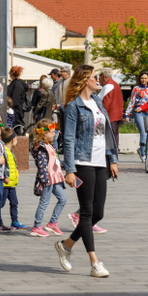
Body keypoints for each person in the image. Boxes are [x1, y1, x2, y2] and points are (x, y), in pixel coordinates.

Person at [55, 64, 119, 279]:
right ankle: (94, 262)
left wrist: (112, 159)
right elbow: (69, 139)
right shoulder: (73, 107)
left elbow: (107, 134)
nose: (97, 79)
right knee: (87, 211)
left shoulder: (97, 102)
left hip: (101, 162)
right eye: (93, 76)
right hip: (83, 162)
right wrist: (70, 169)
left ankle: (66, 245)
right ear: (84, 80)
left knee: (98, 213)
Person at [30, 119, 67, 238]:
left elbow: (56, 162)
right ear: (43, 134)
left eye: (54, 131)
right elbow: (42, 165)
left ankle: (52, 223)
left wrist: (66, 166)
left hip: (55, 178)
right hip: (47, 179)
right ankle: (36, 226)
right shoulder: (41, 148)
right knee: (44, 202)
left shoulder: (51, 146)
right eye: (51, 132)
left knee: (63, 199)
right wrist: (44, 180)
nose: (54, 133)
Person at [124, 72, 148, 162]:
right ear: (139, 79)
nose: (144, 80)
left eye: (145, 78)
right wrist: (127, 114)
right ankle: (143, 154)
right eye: (142, 78)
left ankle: (141, 149)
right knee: (143, 133)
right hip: (139, 112)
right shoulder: (136, 89)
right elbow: (132, 101)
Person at [7, 66, 28, 135]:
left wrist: (9, 105)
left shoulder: (17, 84)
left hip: (16, 111)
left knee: (16, 128)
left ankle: (19, 140)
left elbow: (15, 100)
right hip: (17, 110)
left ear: (11, 73)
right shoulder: (17, 83)